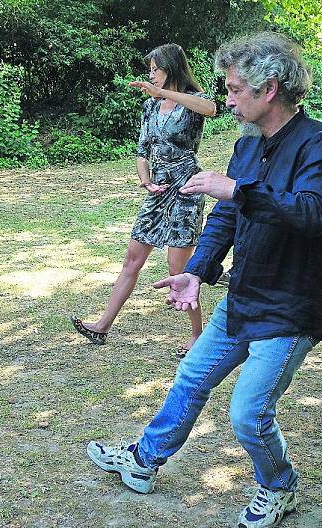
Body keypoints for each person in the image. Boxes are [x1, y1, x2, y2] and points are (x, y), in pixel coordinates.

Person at [86, 32, 322, 528]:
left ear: (268, 89)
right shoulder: (247, 147)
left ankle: (280, 487)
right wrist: (197, 271)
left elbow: (312, 213)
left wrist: (238, 190)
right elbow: (226, 220)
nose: (225, 99)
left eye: (233, 90)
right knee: (191, 377)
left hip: (291, 307)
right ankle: (144, 461)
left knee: (247, 413)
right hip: (243, 295)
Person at [70, 43, 216, 357]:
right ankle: (102, 326)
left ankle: (197, 337)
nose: (151, 76)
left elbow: (211, 109)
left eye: (155, 70)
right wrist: (145, 179)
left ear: (171, 69)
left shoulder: (194, 100)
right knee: (132, 259)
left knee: (179, 269)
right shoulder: (150, 107)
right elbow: (142, 150)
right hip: (159, 187)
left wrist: (164, 94)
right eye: (149, 70)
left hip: (186, 186)